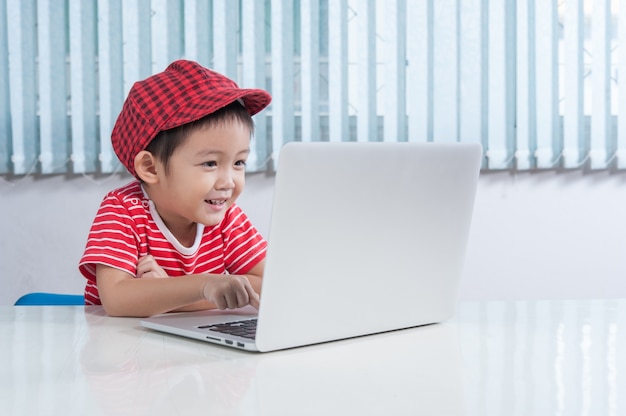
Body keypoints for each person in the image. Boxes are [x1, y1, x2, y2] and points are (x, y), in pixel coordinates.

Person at [79, 60, 271, 317]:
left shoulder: (228, 218)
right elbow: (117, 299)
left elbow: (271, 284)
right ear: (151, 168)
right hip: (124, 346)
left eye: (238, 162)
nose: (228, 182)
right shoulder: (124, 210)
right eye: (210, 163)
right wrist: (205, 286)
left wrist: (167, 294)